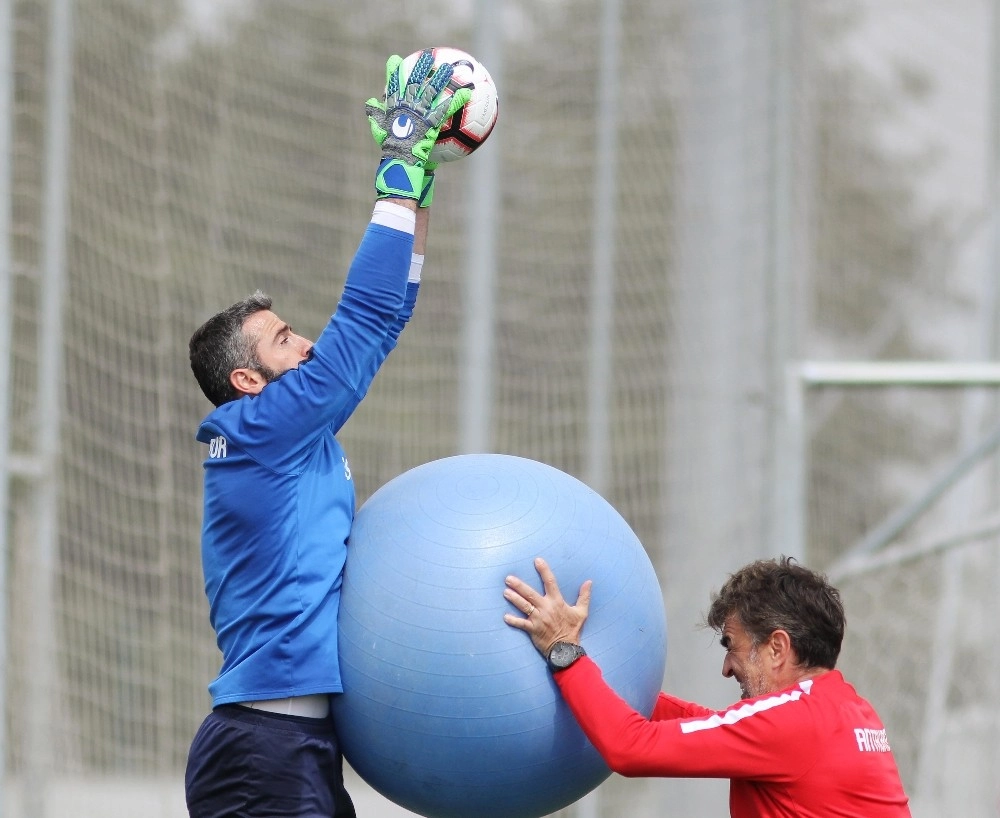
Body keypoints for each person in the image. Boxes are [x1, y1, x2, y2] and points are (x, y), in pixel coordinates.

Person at [183, 52, 470, 818]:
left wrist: (423, 181)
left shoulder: (285, 432)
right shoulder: (257, 430)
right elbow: (366, 318)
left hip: (287, 748)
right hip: (261, 752)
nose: (305, 344)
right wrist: (397, 166)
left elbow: (390, 315)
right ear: (247, 380)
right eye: (282, 341)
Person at [503, 555, 912, 817]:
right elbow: (714, 726)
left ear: (777, 648)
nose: (726, 667)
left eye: (731, 645)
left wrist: (563, 652)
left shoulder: (794, 722)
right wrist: (591, 676)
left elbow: (630, 749)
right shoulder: (845, 708)